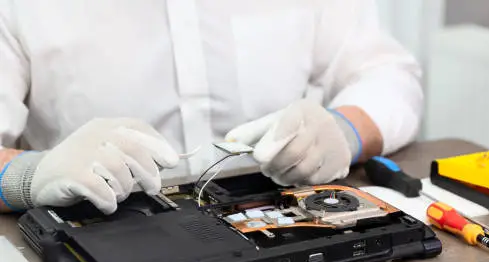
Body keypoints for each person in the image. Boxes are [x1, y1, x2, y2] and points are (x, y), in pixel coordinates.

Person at [0, 0, 423, 215]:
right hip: (95, 238)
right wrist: (29, 175)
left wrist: (344, 130)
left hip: (279, 225)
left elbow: (390, 75)